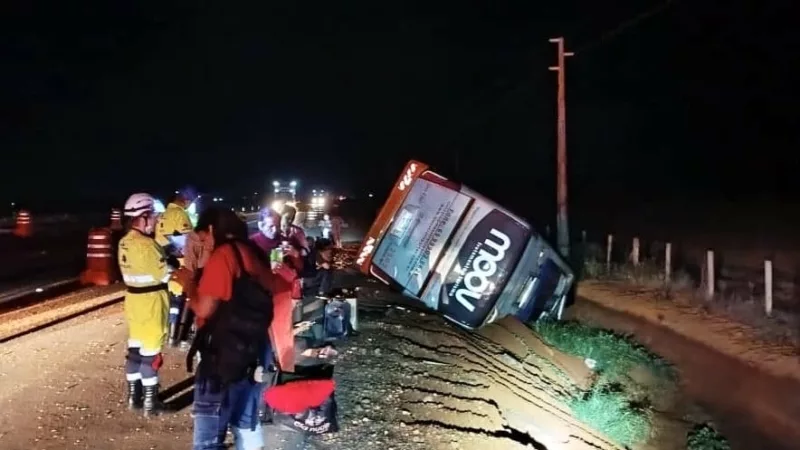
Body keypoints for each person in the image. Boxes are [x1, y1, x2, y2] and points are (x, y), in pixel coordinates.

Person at [173, 208, 294, 450]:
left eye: (204, 240)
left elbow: (204, 309)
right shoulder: (254, 253)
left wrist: (188, 285)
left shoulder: (224, 255)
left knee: (208, 438)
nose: (205, 246)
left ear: (211, 230)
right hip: (253, 352)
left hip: (222, 358)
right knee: (245, 424)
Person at [118, 193, 173, 417]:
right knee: (151, 354)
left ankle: (134, 398)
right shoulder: (148, 244)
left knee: (135, 352)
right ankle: (151, 402)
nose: (156, 222)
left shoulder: (124, 242)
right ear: (144, 216)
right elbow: (165, 275)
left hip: (133, 302)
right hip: (152, 303)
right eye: (154, 217)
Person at [155, 191, 194, 347]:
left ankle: (170, 335)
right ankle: (181, 337)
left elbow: (161, 239)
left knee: (173, 301)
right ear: (184, 200)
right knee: (184, 300)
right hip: (181, 262)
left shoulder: (163, 215)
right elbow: (188, 240)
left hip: (167, 261)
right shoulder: (179, 214)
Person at [175, 216, 215, 351]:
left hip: (199, 280)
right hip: (204, 282)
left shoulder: (191, 237)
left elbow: (190, 264)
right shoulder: (210, 239)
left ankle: (183, 337)